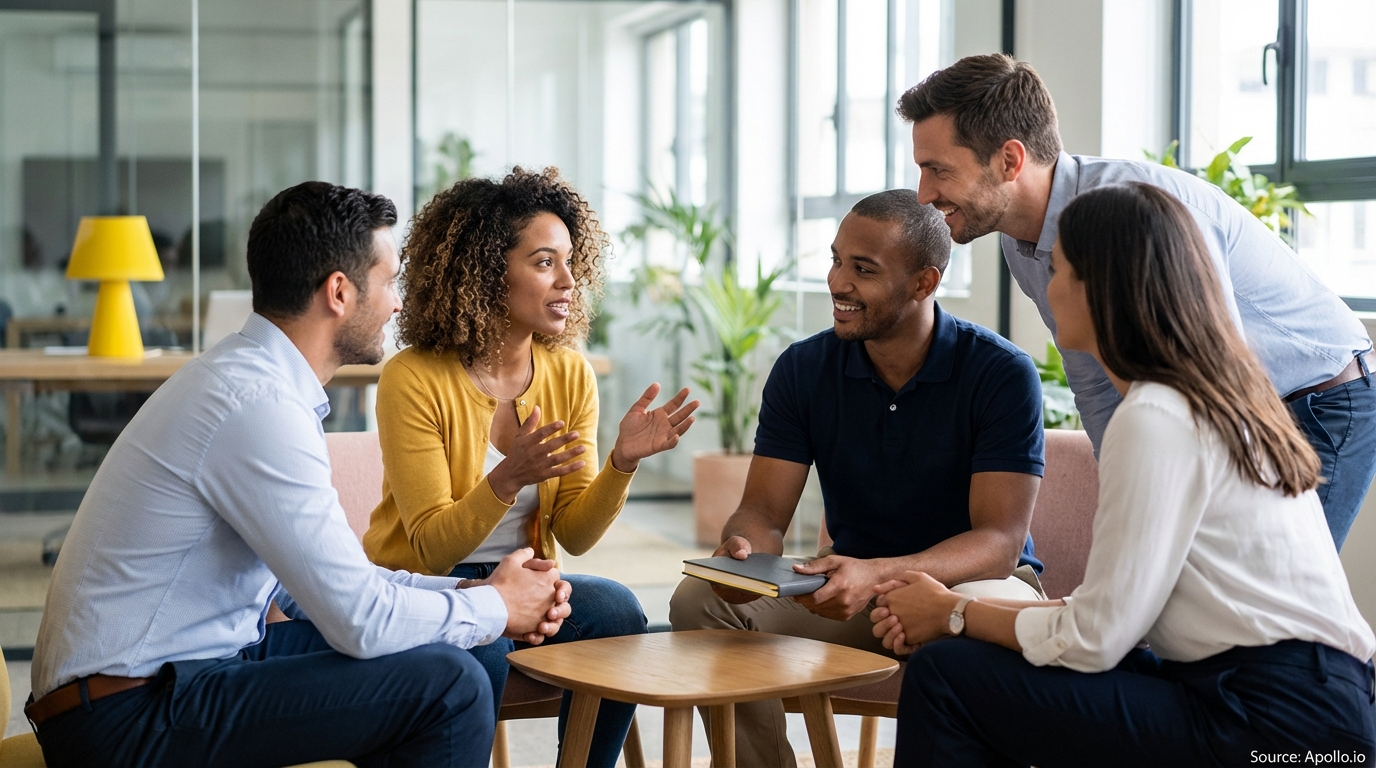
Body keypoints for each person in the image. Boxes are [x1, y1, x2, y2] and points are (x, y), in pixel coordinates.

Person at [29, 181, 574, 768]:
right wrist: (497, 607)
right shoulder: (256, 406)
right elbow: (358, 619)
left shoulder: (255, 383)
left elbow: (315, 587)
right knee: (448, 684)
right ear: (339, 292)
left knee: (448, 649)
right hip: (123, 716)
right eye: (390, 281)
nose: (397, 303)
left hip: (177, 674)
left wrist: (475, 593)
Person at [873, 182, 1376, 766]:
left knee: (946, 675)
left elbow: (1094, 638)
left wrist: (953, 615)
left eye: (1059, 270)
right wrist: (950, 611)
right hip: (1308, 703)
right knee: (998, 667)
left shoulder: (1158, 414)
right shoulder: (1210, 400)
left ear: (1102, 291)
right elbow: (1110, 620)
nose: (1047, 288)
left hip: (1277, 722)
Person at [900, 52, 1376, 549]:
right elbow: (1094, 383)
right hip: (1243, 402)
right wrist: (1127, 501)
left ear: (1010, 160)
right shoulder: (1021, 242)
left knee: (1273, 596)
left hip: (1320, 396)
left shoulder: (1138, 211)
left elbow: (1220, 370)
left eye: (938, 170)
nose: (923, 193)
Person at [668, 190, 1047, 767]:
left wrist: (877, 574)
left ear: (924, 283)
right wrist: (747, 553)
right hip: (849, 593)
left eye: (862, 270)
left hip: (966, 589)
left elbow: (997, 544)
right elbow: (764, 513)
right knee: (700, 601)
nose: (837, 283)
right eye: (835, 260)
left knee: (984, 637)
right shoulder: (803, 367)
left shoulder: (1000, 373)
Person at [362, 167, 699, 768]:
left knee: (619, 611)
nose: (569, 281)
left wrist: (621, 463)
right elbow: (432, 549)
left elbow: (573, 535)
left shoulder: (569, 373)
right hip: (424, 586)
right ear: (489, 271)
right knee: (478, 650)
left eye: (571, 261)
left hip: (526, 577)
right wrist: (507, 478)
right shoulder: (412, 377)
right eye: (545, 262)